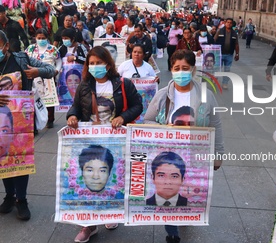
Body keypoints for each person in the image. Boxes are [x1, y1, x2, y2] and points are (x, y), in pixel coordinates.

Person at [144, 49, 224, 243]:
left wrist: (218, 153)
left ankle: (185, 215)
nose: (181, 72)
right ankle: (172, 232)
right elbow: (147, 121)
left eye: (185, 68)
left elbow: (216, 124)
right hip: (169, 157)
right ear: (171, 70)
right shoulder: (162, 95)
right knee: (169, 191)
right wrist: (165, 128)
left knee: (188, 192)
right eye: (177, 68)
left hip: (196, 155)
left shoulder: (206, 95)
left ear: (193, 70)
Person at [66, 46, 142, 242]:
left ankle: (110, 214)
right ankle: (88, 225)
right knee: (89, 181)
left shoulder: (123, 84)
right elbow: (76, 105)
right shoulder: (84, 86)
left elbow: (138, 105)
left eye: (98, 63)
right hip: (89, 141)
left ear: (108, 64)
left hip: (115, 142)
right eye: (91, 63)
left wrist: (123, 117)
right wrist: (72, 115)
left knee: (111, 179)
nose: (95, 66)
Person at [0, 30, 55, 221]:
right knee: (4, 157)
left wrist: (37, 72)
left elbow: (51, 69)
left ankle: (21, 200)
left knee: (21, 159)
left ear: (6, 46)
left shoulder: (22, 59)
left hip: (22, 118)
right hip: (1, 121)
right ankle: (9, 195)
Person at [25, 28, 61, 129]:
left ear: (47, 38)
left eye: (43, 38)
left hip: (48, 76)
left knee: (49, 100)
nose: (41, 40)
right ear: (35, 38)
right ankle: (36, 121)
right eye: (39, 38)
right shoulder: (30, 49)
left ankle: (50, 120)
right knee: (36, 100)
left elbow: (58, 61)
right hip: (34, 77)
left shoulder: (52, 49)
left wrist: (56, 71)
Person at [214, 18, 240, 90]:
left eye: (230, 23)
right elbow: (214, 40)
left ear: (232, 24)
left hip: (229, 54)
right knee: (217, 67)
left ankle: (225, 83)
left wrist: (237, 54)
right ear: (225, 23)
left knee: (227, 69)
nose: (229, 24)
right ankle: (215, 79)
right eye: (227, 22)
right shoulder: (220, 31)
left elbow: (236, 44)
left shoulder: (234, 33)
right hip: (220, 54)